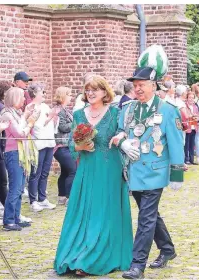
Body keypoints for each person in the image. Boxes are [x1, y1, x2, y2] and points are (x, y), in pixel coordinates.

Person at [111, 63, 185, 279]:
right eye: (135, 85)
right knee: (150, 214)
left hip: (155, 172)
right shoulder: (129, 109)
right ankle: (168, 249)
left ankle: (137, 264)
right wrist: (122, 142)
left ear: (153, 85)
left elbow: (175, 143)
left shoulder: (168, 110)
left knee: (145, 218)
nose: (138, 88)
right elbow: (120, 130)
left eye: (142, 84)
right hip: (133, 172)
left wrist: (177, 173)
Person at [54, 75, 132, 277]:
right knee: (85, 211)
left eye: (95, 90)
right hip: (87, 169)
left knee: (105, 211)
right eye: (88, 90)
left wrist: (121, 137)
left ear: (105, 92)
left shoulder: (116, 112)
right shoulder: (79, 114)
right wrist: (80, 146)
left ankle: (98, 255)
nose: (90, 93)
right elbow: (72, 144)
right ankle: (79, 252)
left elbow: (125, 132)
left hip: (110, 169)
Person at [0, 87, 38, 231]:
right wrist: (29, 123)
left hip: (21, 153)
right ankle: (9, 220)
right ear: (15, 97)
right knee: (15, 188)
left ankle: (16, 217)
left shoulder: (17, 113)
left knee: (20, 187)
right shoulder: (7, 114)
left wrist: (27, 115)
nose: (23, 99)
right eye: (22, 97)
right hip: (13, 152)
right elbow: (19, 133)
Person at [25, 83, 59, 212]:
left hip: (49, 142)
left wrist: (53, 119)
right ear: (34, 94)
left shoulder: (45, 106)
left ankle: (42, 198)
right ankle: (33, 200)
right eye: (41, 92)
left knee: (45, 172)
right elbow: (37, 126)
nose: (44, 94)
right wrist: (49, 118)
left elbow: (49, 124)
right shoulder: (31, 107)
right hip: (38, 143)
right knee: (36, 172)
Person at [53, 86, 77, 205]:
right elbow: (62, 127)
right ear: (63, 96)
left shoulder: (65, 110)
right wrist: (75, 124)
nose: (71, 97)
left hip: (66, 145)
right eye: (69, 95)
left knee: (65, 172)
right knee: (73, 170)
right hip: (61, 146)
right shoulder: (58, 111)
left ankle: (61, 196)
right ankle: (69, 197)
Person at [184, 91, 199, 165]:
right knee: (186, 144)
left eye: (192, 98)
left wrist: (197, 118)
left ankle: (192, 159)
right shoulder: (184, 106)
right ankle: (186, 159)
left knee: (192, 144)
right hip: (187, 127)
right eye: (189, 97)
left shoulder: (195, 107)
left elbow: (198, 116)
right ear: (187, 98)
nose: (191, 99)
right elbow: (184, 116)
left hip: (194, 127)